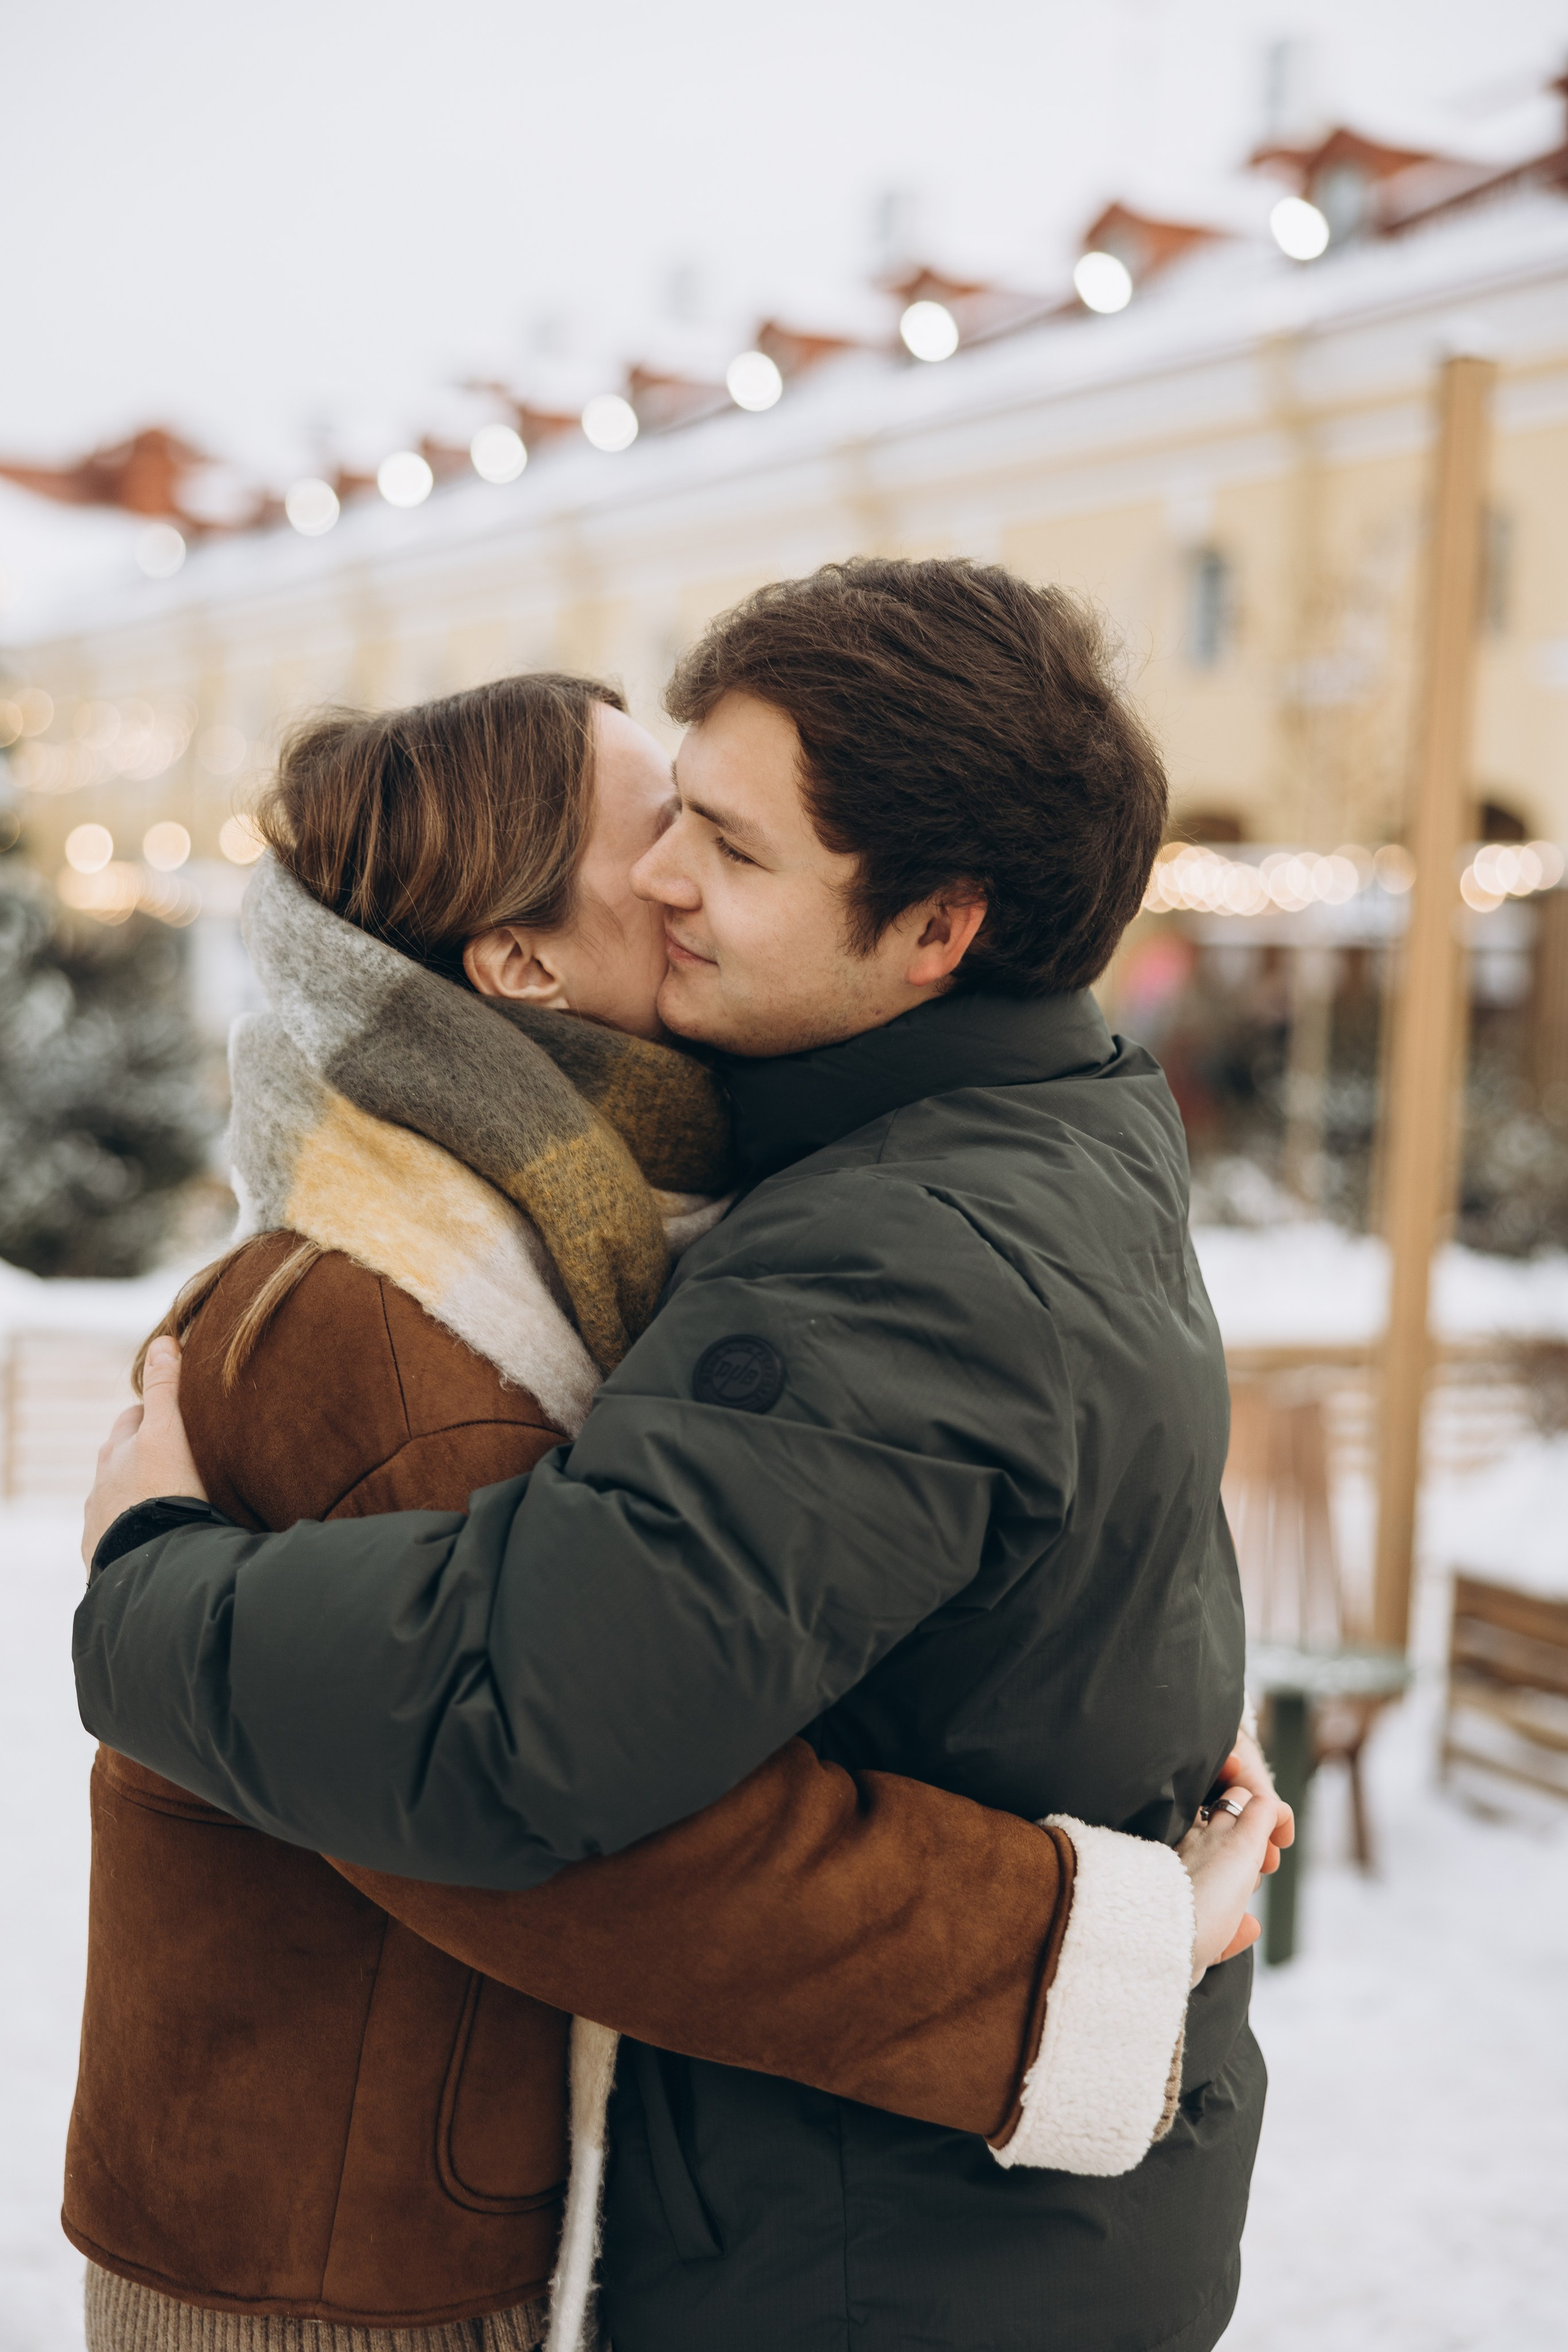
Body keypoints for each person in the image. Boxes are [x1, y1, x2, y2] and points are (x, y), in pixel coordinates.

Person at [80, 560, 1288, 2352]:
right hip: (365, 2250)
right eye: (657, 829)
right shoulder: (1027, 1125)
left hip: (877, 2262)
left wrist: (152, 1586)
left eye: (721, 844)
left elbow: (526, 1734)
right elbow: (567, 1764)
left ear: (937, 931)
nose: (667, 881)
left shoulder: (880, 1244)